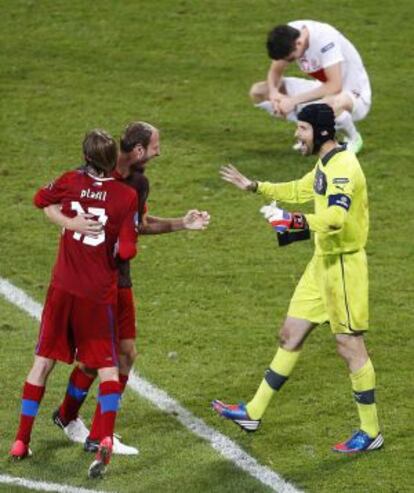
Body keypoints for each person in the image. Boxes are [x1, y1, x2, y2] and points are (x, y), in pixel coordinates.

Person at [213, 104, 383, 453]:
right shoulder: (326, 163)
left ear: (320, 132)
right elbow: (300, 189)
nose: (296, 134)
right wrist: (255, 186)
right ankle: (253, 412)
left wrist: (294, 223)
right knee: (289, 334)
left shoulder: (344, 168)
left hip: (343, 269)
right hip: (321, 264)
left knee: (350, 347)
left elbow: (335, 219)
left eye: (302, 128)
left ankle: (371, 431)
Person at [43, 122, 210, 455]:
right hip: (87, 283)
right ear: (138, 150)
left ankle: (76, 420)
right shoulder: (89, 173)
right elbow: (53, 205)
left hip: (119, 279)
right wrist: (71, 224)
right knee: (94, 359)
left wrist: (182, 223)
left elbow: (140, 226)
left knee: (125, 353)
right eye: (155, 147)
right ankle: (90, 430)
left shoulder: (138, 183)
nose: (158, 153)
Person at [10, 129, 139, 478]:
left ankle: (21, 439)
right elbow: (128, 250)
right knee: (109, 368)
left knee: (42, 363)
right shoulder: (125, 196)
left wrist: (68, 222)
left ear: (85, 157)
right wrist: (116, 246)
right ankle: (105, 438)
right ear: (114, 159)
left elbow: (40, 199)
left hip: (62, 288)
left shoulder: (69, 181)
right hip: (97, 295)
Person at [250, 21, 371, 154]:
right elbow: (275, 72)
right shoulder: (288, 35)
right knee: (259, 91)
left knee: (329, 104)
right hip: (323, 89)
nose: (289, 61)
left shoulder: (325, 40)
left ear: (299, 44)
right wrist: (274, 94)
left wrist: (292, 101)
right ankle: (308, 132)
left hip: (353, 95)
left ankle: (353, 138)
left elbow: (335, 86)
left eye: (291, 59)